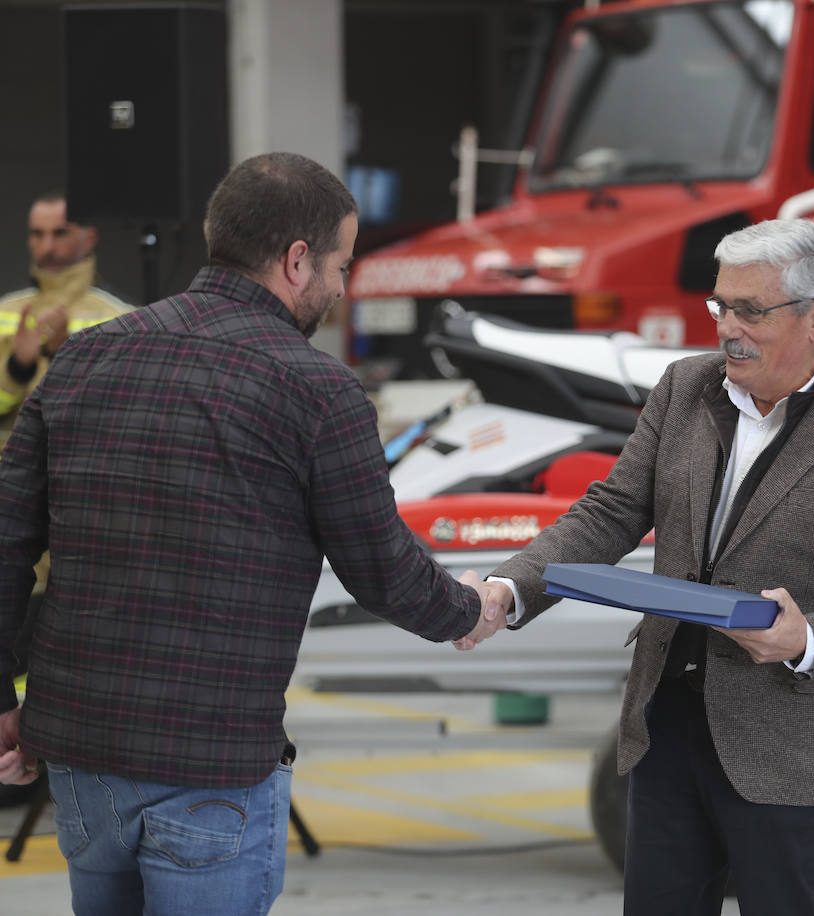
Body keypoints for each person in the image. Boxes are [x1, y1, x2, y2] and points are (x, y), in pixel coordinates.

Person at [0, 152, 504, 916]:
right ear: (296, 260)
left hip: (79, 753)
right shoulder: (318, 390)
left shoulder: (84, 357)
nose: (341, 286)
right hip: (212, 760)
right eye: (340, 264)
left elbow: (6, 540)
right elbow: (381, 567)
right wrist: (470, 610)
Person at [471, 219, 814, 916]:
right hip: (668, 728)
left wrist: (806, 639)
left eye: (751, 310)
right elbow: (612, 511)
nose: (727, 328)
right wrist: (509, 588)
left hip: (792, 742)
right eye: (721, 305)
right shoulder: (685, 388)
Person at [0, 191, 132, 446]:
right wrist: (18, 368)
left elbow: (121, 414)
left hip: (78, 475)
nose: (47, 247)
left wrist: (64, 355)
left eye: (60, 233)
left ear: (89, 238)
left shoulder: (122, 318)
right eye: (37, 234)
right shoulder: (4, 311)